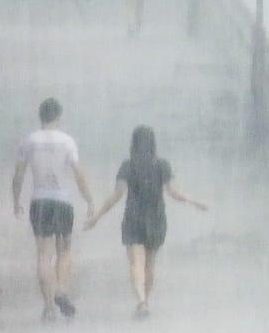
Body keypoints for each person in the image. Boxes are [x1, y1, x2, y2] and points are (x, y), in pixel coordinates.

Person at [86, 125, 206, 319]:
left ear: (133, 144)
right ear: (153, 144)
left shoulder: (128, 166)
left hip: (134, 218)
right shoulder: (162, 165)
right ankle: (144, 302)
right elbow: (173, 192)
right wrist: (194, 202)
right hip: (156, 219)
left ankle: (141, 301)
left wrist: (97, 216)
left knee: (136, 262)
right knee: (150, 265)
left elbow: (116, 195)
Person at [12, 98, 96, 321]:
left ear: (41, 116)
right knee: (64, 250)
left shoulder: (29, 141)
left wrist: (16, 199)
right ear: (58, 116)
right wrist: (89, 200)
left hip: (40, 201)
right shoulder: (67, 142)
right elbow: (78, 174)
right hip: (62, 201)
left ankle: (49, 307)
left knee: (43, 255)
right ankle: (60, 288)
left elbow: (19, 174)